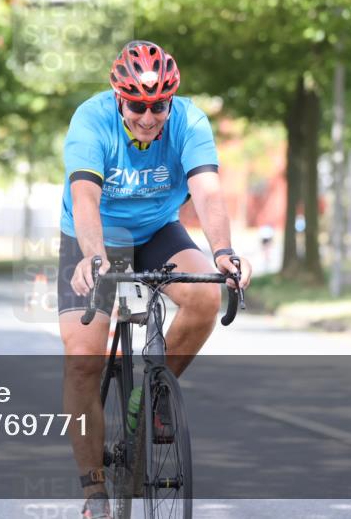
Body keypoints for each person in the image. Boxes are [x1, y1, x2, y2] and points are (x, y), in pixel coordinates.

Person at [58, 40, 253, 519]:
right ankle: (94, 492)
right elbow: (84, 196)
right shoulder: (91, 119)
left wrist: (224, 252)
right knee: (83, 358)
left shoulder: (189, 121)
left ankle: (152, 397)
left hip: (158, 230)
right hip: (96, 234)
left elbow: (207, 191)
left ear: (171, 100)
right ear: (119, 98)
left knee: (205, 298)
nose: (149, 117)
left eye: (158, 106)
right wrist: (94, 257)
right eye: (138, 106)